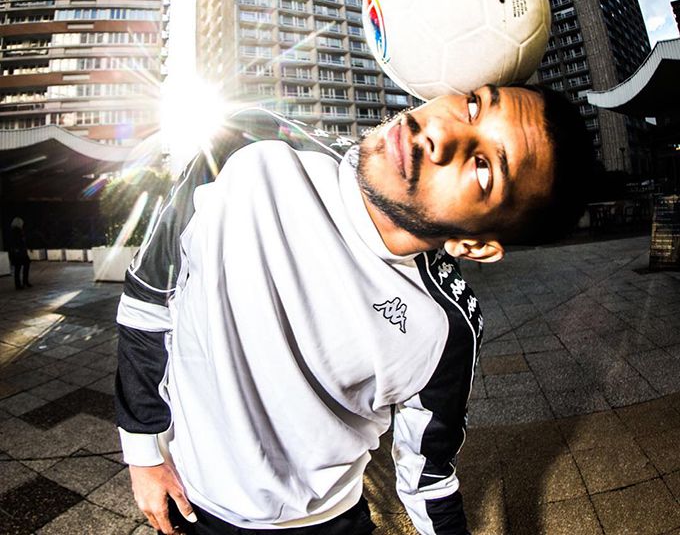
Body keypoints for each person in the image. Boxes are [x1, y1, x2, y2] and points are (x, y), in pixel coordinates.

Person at [115, 85, 592, 535]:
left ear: (475, 246)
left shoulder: (447, 327)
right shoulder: (246, 146)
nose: (440, 133)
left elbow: (428, 474)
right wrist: (143, 453)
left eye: (484, 167)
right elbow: (149, 299)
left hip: (325, 522)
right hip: (193, 503)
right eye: (472, 105)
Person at [9, 217, 31, 290]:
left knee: (21, 267)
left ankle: (23, 282)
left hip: (21, 252)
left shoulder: (19, 231)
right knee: (18, 268)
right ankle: (20, 283)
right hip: (18, 253)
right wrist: (17, 249)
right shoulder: (15, 231)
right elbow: (15, 242)